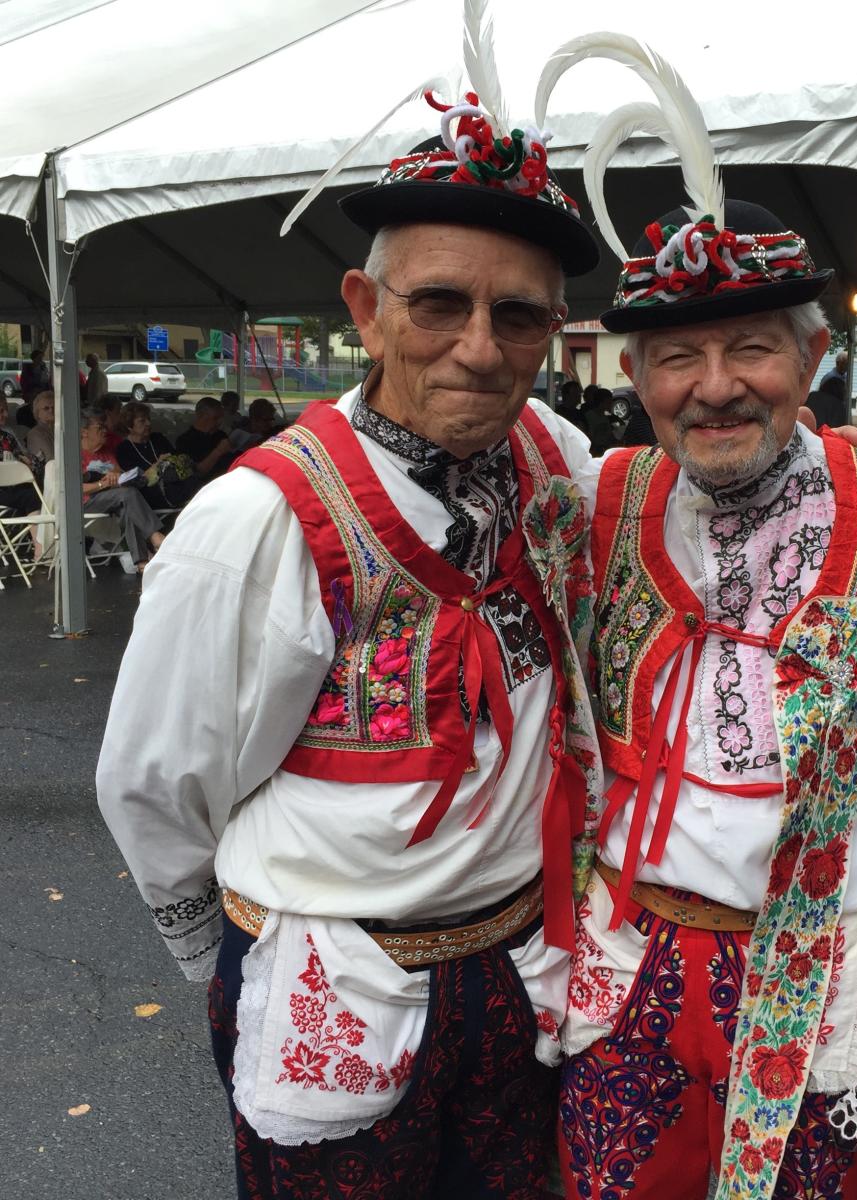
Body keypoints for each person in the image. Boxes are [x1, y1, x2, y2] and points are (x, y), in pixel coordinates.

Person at [96, 50, 608, 1198]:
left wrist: (829, 463)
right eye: (439, 303)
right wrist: (227, 954)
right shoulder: (254, 524)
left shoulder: (558, 460)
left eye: (516, 315)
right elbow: (151, 786)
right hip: (325, 971)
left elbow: (689, 508)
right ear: (367, 312)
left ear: (552, 332)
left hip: (518, 969)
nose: (479, 346)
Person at [546, 42, 857, 1200]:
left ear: (811, 356)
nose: (714, 385)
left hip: (819, 979)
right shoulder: (604, 495)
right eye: (677, 356)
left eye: (751, 346)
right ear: (635, 373)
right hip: (628, 969)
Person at [79, 409, 165, 569]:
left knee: (129, 508)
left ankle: (142, 563)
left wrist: (119, 476)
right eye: (99, 428)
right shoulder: (76, 455)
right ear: (84, 432)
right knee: (129, 495)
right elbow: (75, 489)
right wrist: (102, 484)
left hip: (113, 500)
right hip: (86, 503)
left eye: (105, 427)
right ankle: (155, 535)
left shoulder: (106, 453)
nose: (105, 431)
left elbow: (120, 473)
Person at [116, 402, 198, 510]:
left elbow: (175, 458)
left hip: (174, 482)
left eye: (148, 419)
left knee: (194, 480)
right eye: (142, 421)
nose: (148, 423)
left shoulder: (158, 438)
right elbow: (136, 480)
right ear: (129, 426)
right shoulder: (124, 449)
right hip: (149, 492)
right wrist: (159, 463)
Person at [174, 395, 237, 480]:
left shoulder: (221, 435)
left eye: (221, 418)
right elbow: (195, 472)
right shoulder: (184, 441)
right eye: (216, 418)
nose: (220, 422)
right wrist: (218, 451)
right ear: (203, 417)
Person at [0, 394, 40, 516]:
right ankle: (39, 534)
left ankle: (38, 534)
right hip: (8, 489)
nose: (6, 415)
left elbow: (28, 460)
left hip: (14, 488)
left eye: (6, 410)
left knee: (37, 490)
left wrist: (29, 462)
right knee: (32, 496)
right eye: (1, 411)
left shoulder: (7, 436)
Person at [23, 391, 56, 467]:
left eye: (54, 407)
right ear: (37, 413)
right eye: (46, 408)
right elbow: (50, 459)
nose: (51, 410)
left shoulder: (60, 428)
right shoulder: (35, 434)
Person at [582, 385, 617, 455]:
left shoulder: (605, 417)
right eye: (609, 402)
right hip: (594, 452)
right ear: (601, 402)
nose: (611, 404)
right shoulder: (589, 416)